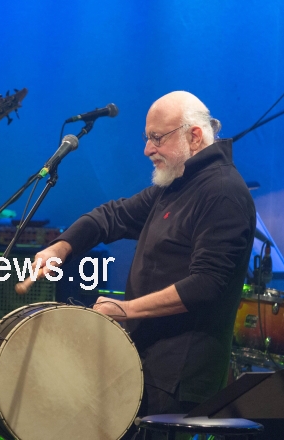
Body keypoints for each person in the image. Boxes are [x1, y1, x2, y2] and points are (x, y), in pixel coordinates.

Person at [29, 91, 256, 418]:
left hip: (179, 381)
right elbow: (111, 216)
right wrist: (60, 247)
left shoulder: (222, 192)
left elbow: (207, 284)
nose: (148, 149)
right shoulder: (177, 185)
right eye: (147, 138)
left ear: (194, 136)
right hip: (147, 368)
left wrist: (126, 309)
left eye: (157, 138)